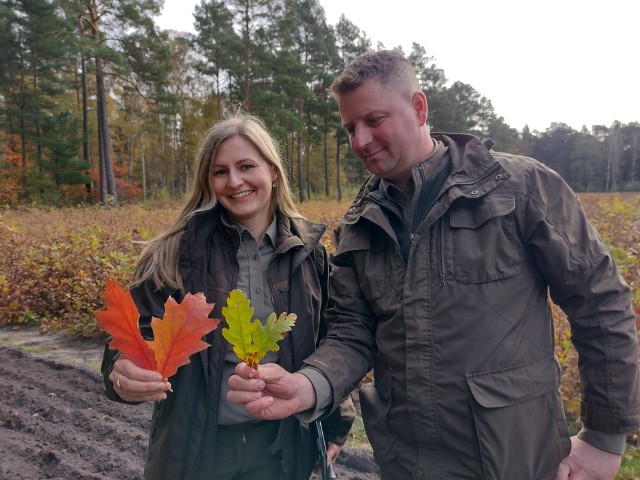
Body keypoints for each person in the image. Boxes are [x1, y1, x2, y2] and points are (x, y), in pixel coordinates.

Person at [227, 50, 640, 480]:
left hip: (517, 461)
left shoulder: (520, 189)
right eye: (350, 128)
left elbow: (600, 302)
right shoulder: (358, 225)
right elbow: (352, 331)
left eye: (374, 120)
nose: (360, 141)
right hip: (408, 464)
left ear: (419, 107)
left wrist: (604, 437)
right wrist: (309, 385)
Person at [101, 113, 355, 480]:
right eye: (220, 172)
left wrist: (337, 420)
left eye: (246, 166)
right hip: (195, 450)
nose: (234, 181)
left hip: (279, 448)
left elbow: (326, 340)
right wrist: (121, 374)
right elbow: (129, 342)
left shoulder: (308, 254)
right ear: (208, 180)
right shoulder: (176, 253)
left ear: (273, 170)